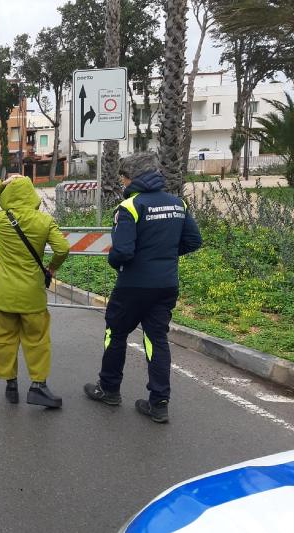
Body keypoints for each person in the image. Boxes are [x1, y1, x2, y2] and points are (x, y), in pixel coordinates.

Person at [84, 152, 202, 423]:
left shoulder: (130, 207)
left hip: (133, 286)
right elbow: (194, 241)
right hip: (166, 284)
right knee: (156, 340)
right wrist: (165, 255)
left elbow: (122, 252)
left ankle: (109, 389)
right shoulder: (177, 204)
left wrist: (116, 261)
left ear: (132, 178)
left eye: (123, 178)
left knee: (115, 334)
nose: (122, 183)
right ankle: (159, 403)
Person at [0, 174, 70, 407]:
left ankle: (11, 384)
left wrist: (0, 184)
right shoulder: (44, 221)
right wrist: (50, 268)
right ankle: (38, 386)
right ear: (32, 194)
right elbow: (62, 248)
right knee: (37, 339)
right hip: (32, 294)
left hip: (2, 293)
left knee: (2, 339)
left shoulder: (0, 219)